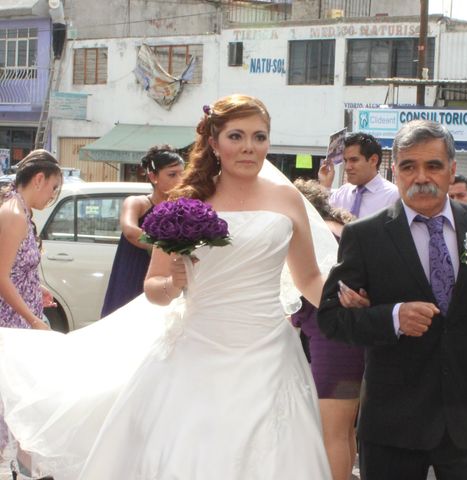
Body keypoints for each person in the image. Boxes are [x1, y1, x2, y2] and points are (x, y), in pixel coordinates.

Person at [0, 95, 335, 479]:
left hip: (271, 356)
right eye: (236, 136)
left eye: (259, 137)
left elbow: (309, 278)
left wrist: (351, 304)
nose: (248, 147)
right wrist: (173, 282)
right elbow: (153, 288)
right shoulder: (186, 204)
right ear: (214, 141)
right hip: (198, 351)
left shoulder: (287, 198)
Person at [318, 120, 467, 480]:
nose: (421, 176)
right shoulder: (365, 235)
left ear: (452, 170)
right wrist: (393, 317)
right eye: (409, 166)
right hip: (393, 424)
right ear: (396, 170)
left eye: (434, 166)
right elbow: (331, 318)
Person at [291, 179, 361, 480]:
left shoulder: (320, 236)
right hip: (350, 344)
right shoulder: (341, 230)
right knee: (345, 430)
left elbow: (312, 290)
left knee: (330, 432)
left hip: (332, 345)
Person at [0, 149, 61, 471]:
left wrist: (36, 289)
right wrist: (32, 317)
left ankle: (23, 462)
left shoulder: (19, 210)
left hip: (17, 316)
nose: (52, 196)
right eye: (53, 188)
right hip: (9, 322)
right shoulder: (13, 213)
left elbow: (11, 270)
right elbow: (0, 275)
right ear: (39, 179)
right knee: (14, 395)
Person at [100, 145, 184, 317]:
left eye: (182, 173)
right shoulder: (137, 202)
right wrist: (164, 248)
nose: (180, 179)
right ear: (153, 176)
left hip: (165, 280)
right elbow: (130, 230)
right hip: (133, 271)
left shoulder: (183, 209)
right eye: (172, 174)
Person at [318, 132, 398, 219]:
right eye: (346, 160)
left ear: (373, 160)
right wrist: (325, 185)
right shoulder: (342, 193)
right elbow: (321, 221)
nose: (347, 167)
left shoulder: (393, 196)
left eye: (354, 160)